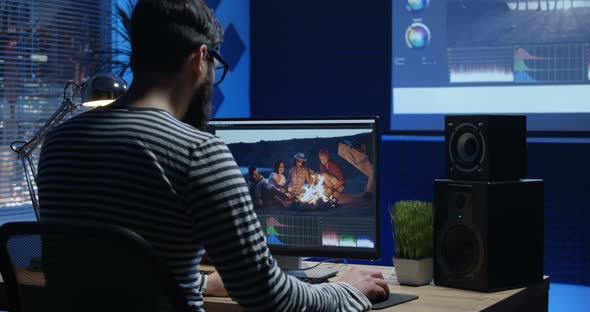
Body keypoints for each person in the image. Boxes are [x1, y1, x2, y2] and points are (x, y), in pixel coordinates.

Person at [36, 1, 388, 311]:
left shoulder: (58, 143)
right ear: (200, 58)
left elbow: (109, 272)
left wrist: (201, 283)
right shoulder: (198, 152)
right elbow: (271, 298)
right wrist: (348, 291)